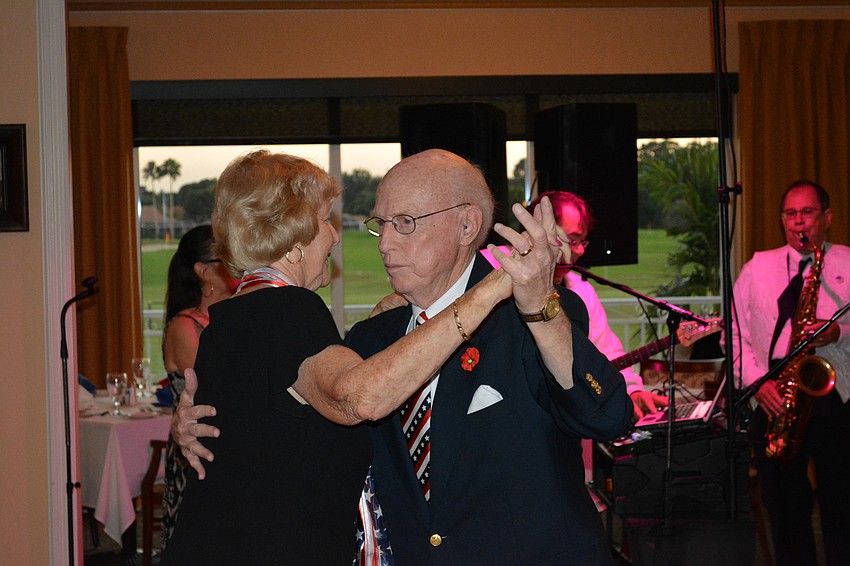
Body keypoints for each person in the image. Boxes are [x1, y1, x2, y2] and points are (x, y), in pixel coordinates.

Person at [175, 149, 633, 565]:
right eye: (381, 224)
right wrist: (202, 424)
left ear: (467, 225)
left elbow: (607, 416)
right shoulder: (372, 339)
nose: (383, 243)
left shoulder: (531, 315)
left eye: (406, 222)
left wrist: (539, 304)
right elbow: (311, 410)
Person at [727, 180, 850, 566]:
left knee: (843, 502)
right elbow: (733, 334)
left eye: (808, 212)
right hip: (775, 392)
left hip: (836, 394)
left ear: (827, 218)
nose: (800, 222)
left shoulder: (847, 261)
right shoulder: (757, 267)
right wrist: (756, 381)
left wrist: (838, 331)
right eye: (791, 214)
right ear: (782, 220)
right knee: (785, 506)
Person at [528, 191, 668, 419]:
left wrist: (632, 391)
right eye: (572, 240)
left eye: (582, 241)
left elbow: (608, 351)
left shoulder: (583, 292)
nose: (580, 250)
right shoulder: (499, 274)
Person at [160, 224, 237, 549]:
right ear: (203, 271)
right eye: (225, 259)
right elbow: (212, 384)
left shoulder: (233, 315)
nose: (234, 265)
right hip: (195, 453)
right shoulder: (184, 326)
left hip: (229, 448)